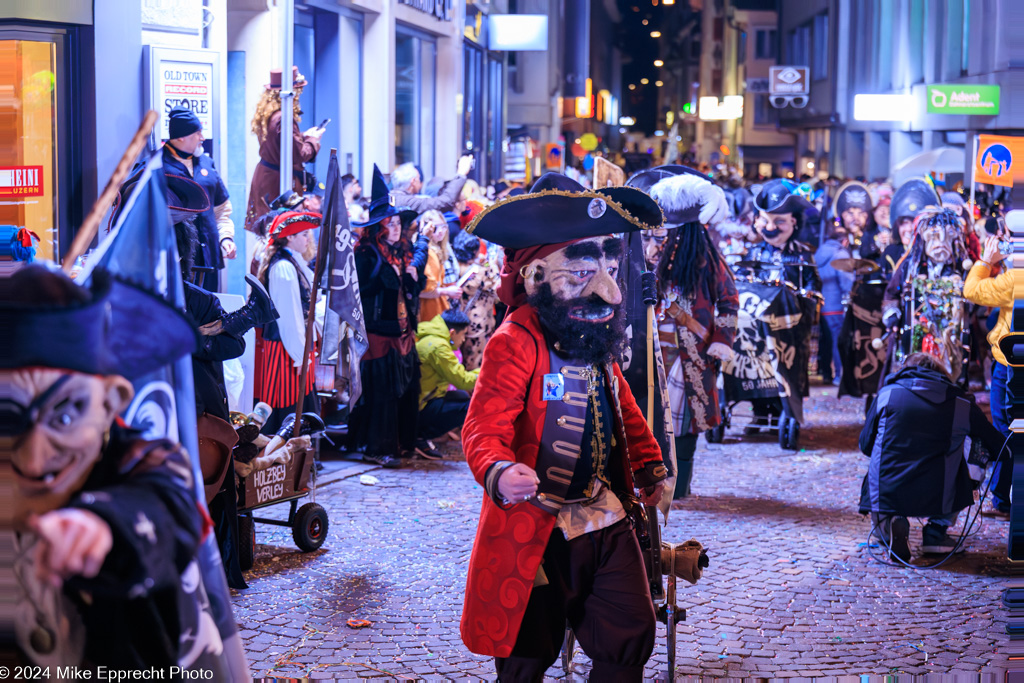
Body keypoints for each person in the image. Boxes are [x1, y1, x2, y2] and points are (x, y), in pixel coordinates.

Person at [459, 173, 668, 680]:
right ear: (535, 276)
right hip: (536, 524)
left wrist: (649, 466)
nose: (610, 291)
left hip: (604, 514)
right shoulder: (515, 341)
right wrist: (500, 471)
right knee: (527, 652)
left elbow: (623, 408)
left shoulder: (591, 335)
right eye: (581, 271)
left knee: (629, 633)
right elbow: (482, 428)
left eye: (610, 266)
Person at [2, 265, 205, 668]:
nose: (34, 457)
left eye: (64, 416)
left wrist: (103, 525)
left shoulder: (142, 461)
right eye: (6, 418)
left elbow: (167, 507)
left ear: (111, 401)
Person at [645, 169, 737, 499]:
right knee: (648, 419)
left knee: (684, 425)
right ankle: (654, 483)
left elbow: (729, 301)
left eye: (667, 232)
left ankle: (680, 486)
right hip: (649, 353)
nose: (662, 238)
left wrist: (721, 343)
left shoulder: (708, 261)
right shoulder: (648, 256)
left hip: (693, 356)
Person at [858, 353, 1004, 561]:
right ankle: (936, 530)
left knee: (881, 469)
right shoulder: (961, 402)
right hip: (941, 491)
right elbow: (996, 445)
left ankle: (889, 525)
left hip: (886, 491)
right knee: (977, 448)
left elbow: (865, 446)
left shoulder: (886, 394)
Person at [347, 165, 423, 469]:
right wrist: (390, 276)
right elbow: (360, 292)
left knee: (407, 391)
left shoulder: (403, 252)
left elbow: (411, 293)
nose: (395, 228)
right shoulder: (365, 254)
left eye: (396, 223)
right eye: (389, 224)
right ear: (378, 227)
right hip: (379, 333)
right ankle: (376, 447)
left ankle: (403, 442)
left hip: (403, 332)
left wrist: (413, 277)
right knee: (383, 396)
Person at [962, 210, 1021, 514]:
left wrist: (986, 261)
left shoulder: (1014, 279)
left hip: (1010, 365)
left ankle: (1002, 497)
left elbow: (971, 291)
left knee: (1005, 429)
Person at [255, 208, 322, 434]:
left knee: (296, 403)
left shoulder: (293, 262)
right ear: (290, 237)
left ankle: (300, 459)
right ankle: (281, 461)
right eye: (304, 234)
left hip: (295, 346)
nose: (308, 239)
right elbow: (290, 317)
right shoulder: (283, 267)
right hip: (285, 349)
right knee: (285, 403)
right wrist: (299, 355)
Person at [160, 106, 235, 290]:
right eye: (197, 133)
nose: (202, 138)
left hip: (208, 257)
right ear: (180, 137)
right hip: (175, 261)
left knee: (210, 312)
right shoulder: (158, 166)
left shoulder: (207, 165)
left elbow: (221, 210)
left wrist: (226, 237)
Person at [244, 67, 323, 233]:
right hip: (277, 183)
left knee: (268, 232)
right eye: (298, 91)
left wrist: (302, 136)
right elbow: (300, 154)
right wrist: (313, 140)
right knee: (279, 232)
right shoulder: (283, 117)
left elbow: (280, 144)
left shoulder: (270, 114)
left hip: (268, 178)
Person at [415, 308, 480, 458]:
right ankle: (419, 436)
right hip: (421, 405)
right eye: (463, 334)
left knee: (462, 396)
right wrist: (486, 371)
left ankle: (420, 435)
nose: (463, 340)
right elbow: (463, 380)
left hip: (420, 401)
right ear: (452, 333)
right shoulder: (439, 348)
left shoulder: (430, 337)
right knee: (471, 406)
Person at [816, 226, 854, 385]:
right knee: (839, 340)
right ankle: (840, 375)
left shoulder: (819, 252)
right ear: (845, 240)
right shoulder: (841, 254)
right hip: (836, 304)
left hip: (821, 304)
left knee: (825, 340)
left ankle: (826, 373)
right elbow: (846, 282)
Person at [417, 209, 462, 323]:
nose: (441, 231)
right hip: (430, 312)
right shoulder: (428, 252)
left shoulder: (439, 249)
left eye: (443, 226)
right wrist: (446, 291)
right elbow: (426, 290)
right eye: (436, 227)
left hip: (437, 309)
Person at [389, 155, 473, 214]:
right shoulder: (407, 201)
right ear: (413, 181)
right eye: (418, 178)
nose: (420, 182)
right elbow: (445, 201)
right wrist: (461, 174)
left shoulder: (392, 197)